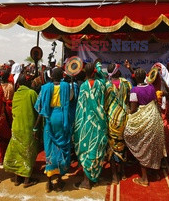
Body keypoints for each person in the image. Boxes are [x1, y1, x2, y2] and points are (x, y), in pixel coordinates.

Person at [124, 68, 166, 187]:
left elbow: (133, 109)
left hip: (143, 119)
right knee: (152, 146)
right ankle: (155, 173)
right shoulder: (151, 87)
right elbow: (153, 101)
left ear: (135, 78)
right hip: (154, 118)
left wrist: (128, 113)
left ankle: (144, 179)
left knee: (142, 145)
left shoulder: (134, 90)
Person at [74, 61, 112, 190]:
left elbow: (80, 107)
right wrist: (99, 68)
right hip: (100, 122)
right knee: (96, 149)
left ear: (85, 72)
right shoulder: (101, 85)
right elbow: (104, 78)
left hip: (86, 122)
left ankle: (86, 181)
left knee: (86, 149)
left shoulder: (84, 86)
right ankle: (93, 176)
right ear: (94, 72)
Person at [34, 67, 73, 192]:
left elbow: (40, 108)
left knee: (50, 148)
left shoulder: (45, 88)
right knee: (62, 148)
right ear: (62, 76)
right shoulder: (66, 86)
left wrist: (35, 127)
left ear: (51, 77)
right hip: (62, 119)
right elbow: (71, 100)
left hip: (49, 119)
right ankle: (60, 179)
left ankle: (49, 181)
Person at [3, 75, 39, 188]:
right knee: (28, 153)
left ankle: (17, 178)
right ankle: (27, 179)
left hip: (16, 127)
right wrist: (37, 127)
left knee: (18, 152)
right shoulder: (32, 94)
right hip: (27, 127)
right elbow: (38, 109)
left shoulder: (16, 93)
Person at [106, 63, 132, 184]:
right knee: (123, 145)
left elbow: (105, 104)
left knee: (111, 145)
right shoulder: (126, 84)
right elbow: (130, 100)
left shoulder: (107, 86)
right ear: (116, 72)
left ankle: (114, 176)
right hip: (123, 117)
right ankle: (123, 172)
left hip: (111, 118)